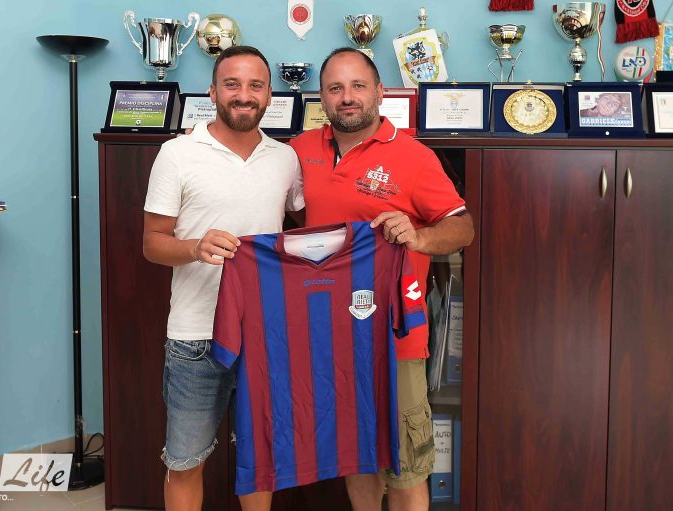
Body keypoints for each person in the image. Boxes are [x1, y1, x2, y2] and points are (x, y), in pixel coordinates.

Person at [289, 48, 474, 511]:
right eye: (335, 88)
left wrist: (419, 236)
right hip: (328, 335)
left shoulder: (414, 156)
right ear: (322, 98)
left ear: (379, 92)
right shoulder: (299, 150)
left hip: (395, 337)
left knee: (405, 466)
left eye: (357, 86)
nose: (347, 97)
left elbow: (463, 228)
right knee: (357, 458)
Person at [142, 45, 304, 511]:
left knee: (260, 459)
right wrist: (195, 246)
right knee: (185, 461)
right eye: (232, 84)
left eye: (255, 85)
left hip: (265, 335)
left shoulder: (286, 159)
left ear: (269, 95)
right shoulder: (177, 154)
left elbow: (305, 226)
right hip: (196, 337)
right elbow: (152, 243)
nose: (244, 95)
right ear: (212, 92)